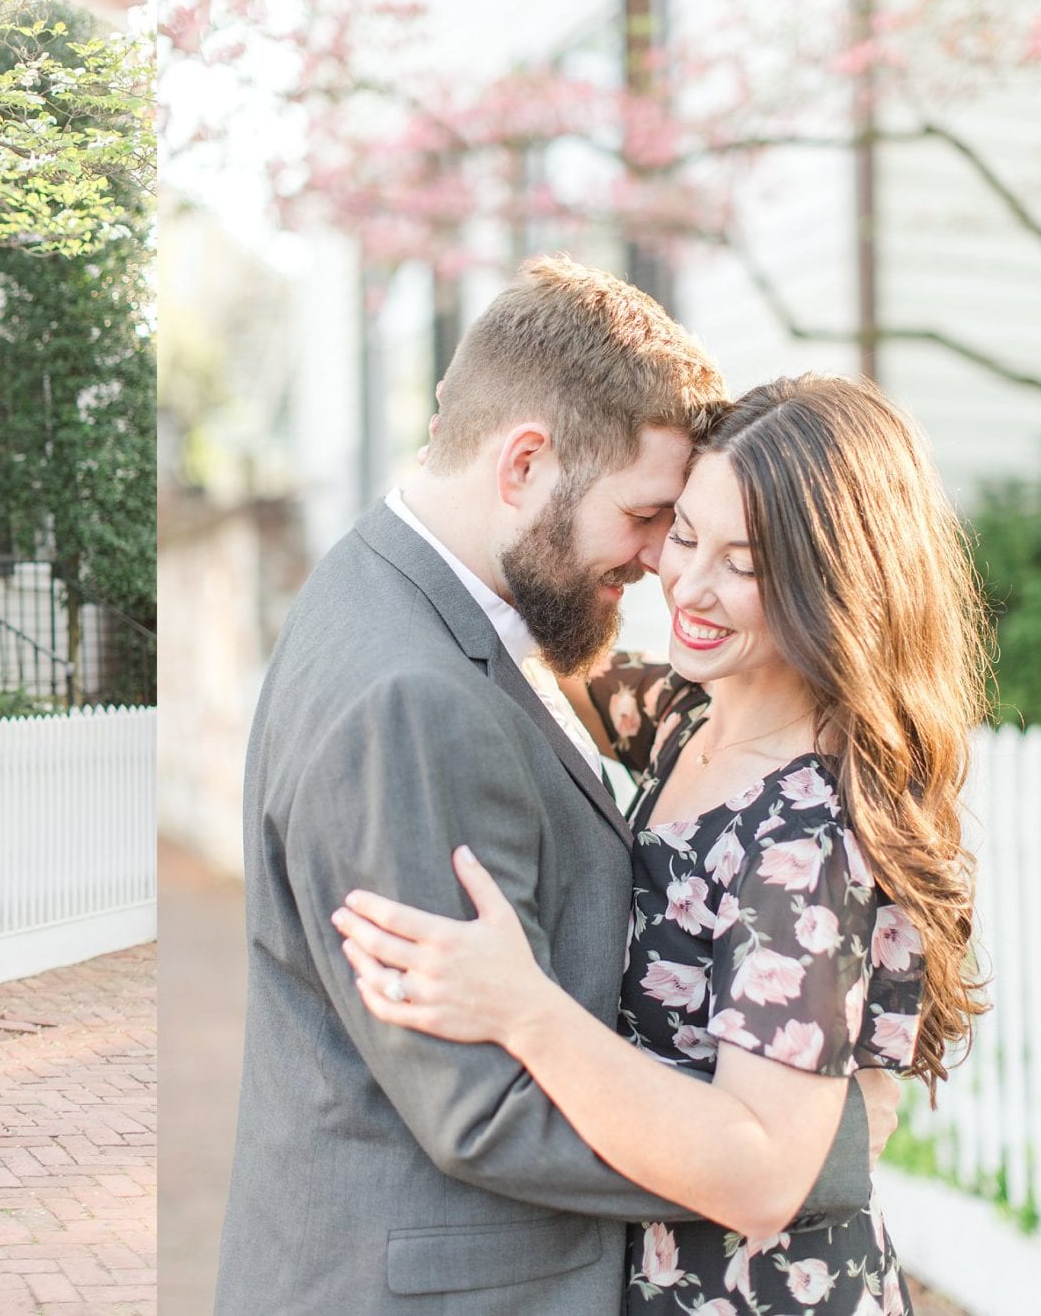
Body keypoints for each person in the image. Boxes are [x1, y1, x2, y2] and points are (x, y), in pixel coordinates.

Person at [216, 260, 898, 1315]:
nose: (659, 569)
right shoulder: (414, 692)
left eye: (721, 545)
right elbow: (482, 1105)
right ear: (526, 462)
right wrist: (807, 1154)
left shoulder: (413, 598)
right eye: (655, 520)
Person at [335, 375, 988, 1315]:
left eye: (746, 561)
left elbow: (763, 1173)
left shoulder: (801, 839)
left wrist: (524, 1011)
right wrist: (471, 462)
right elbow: (534, 651)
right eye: (685, 534)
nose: (689, 583)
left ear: (836, 578)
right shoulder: (689, 716)